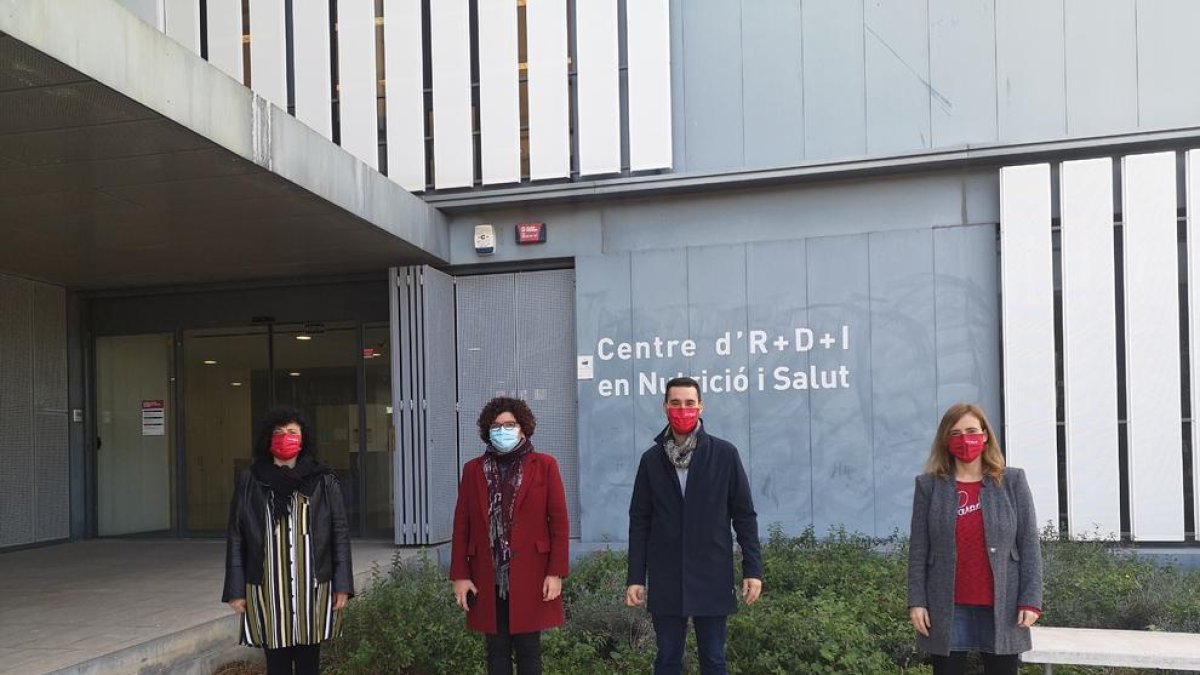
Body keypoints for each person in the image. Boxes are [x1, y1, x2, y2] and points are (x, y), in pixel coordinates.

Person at [625, 376, 763, 675]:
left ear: (700, 406)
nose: (682, 409)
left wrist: (753, 569)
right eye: (675, 403)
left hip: (712, 572)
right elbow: (639, 522)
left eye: (689, 403)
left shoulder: (724, 454)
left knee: (714, 660)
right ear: (665, 407)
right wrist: (636, 577)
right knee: (667, 660)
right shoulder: (651, 460)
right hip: (666, 575)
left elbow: (744, 515)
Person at [907, 402, 1044, 675]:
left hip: (1002, 605)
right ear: (945, 440)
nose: (964, 439)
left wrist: (1031, 600)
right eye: (955, 433)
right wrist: (917, 601)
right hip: (947, 606)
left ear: (985, 435)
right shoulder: (929, 486)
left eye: (971, 430)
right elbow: (919, 550)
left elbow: (1029, 544)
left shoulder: (1012, 482)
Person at [222, 407, 353, 675]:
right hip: (268, 589)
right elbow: (236, 535)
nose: (285, 437)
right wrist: (235, 589)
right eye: (279, 433)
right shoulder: (251, 480)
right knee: (277, 664)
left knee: (309, 663)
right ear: (268, 440)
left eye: (292, 432)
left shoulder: (323, 480)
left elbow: (339, 532)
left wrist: (343, 584)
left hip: (313, 587)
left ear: (303, 438)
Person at [450, 396, 570, 675]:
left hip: (532, 572)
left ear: (523, 428)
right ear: (487, 431)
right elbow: (462, 524)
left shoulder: (545, 465)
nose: (502, 430)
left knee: (529, 652)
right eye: (496, 426)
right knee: (496, 653)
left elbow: (560, 524)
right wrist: (460, 575)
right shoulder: (473, 470)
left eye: (510, 424)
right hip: (487, 575)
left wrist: (556, 572)